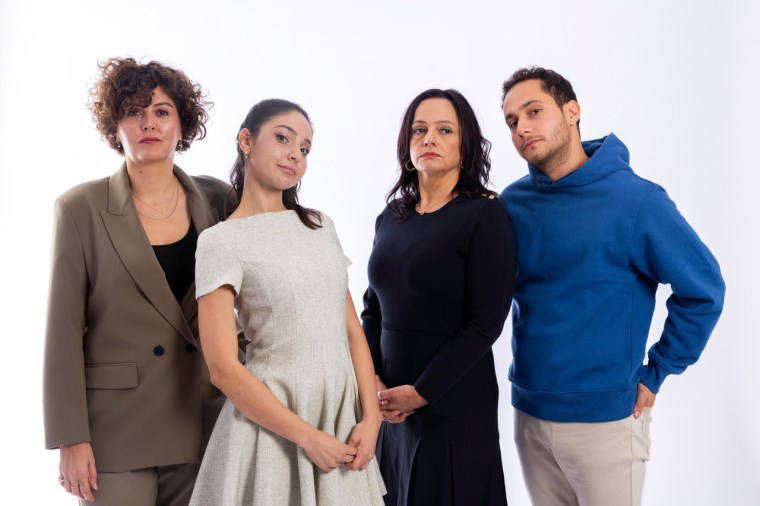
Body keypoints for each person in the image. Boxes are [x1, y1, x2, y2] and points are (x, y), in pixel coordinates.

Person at [499, 67, 726, 506]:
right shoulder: (513, 203)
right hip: (528, 415)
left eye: (533, 111)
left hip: (606, 423)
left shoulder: (636, 200)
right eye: (511, 121)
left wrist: (658, 370)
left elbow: (704, 290)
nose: (521, 127)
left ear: (572, 111)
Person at [43, 57, 240, 505]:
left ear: (182, 124)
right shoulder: (80, 209)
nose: (148, 123)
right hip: (116, 430)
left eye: (161, 111)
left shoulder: (217, 199)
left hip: (203, 418)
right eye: (134, 111)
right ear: (115, 127)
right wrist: (70, 437)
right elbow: (62, 332)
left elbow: (256, 288)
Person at [188, 99, 386, 505]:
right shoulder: (220, 241)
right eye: (283, 138)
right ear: (246, 141)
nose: (296, 154)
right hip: (272, 428)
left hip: (340, 420)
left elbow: (351, 331)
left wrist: (372, 419)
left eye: (305, 148)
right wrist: (307, 437)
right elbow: (223, 368)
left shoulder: (320, 226)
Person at [362, 89, 517, 506]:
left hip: (453, 403)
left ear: (465, 144)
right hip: (391, 408)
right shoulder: (391, 216)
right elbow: (372, 309)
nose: (429, 138)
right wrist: (373, 381)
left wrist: (422, 392)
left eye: (445, 130)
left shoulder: (485, 214)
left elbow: (485, 323)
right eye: (420, 130)